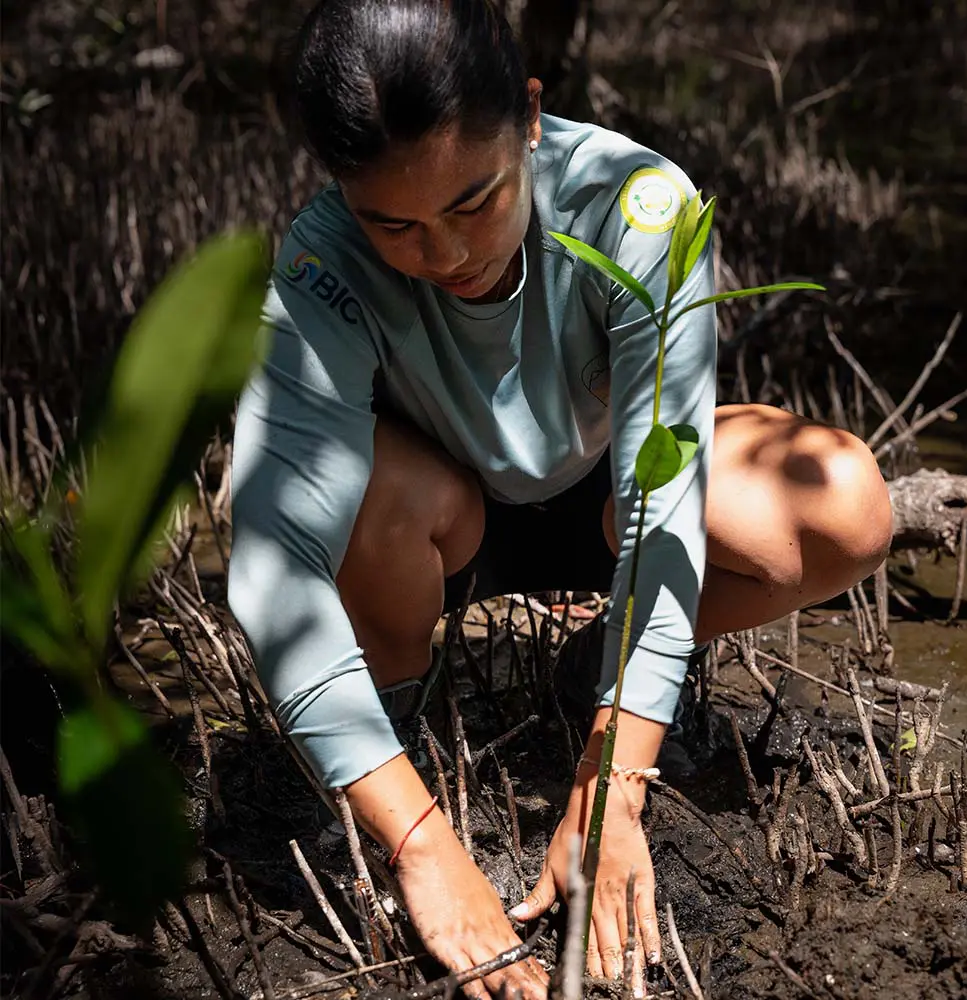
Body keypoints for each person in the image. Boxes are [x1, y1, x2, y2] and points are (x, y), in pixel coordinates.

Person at [228, 1, 894, 997]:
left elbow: (662, 514)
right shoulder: (323, 262)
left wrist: (612, 784)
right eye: (395, 225)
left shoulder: (636, 206)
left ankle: (597, 666)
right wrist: (421, 847)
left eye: (473, 201)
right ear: (341, 190)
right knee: (370, 502)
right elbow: (274, 562)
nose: (445, 254)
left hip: (608, 508)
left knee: (847, 502)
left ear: (531, 115)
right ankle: (401, 723)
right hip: (445, 520)